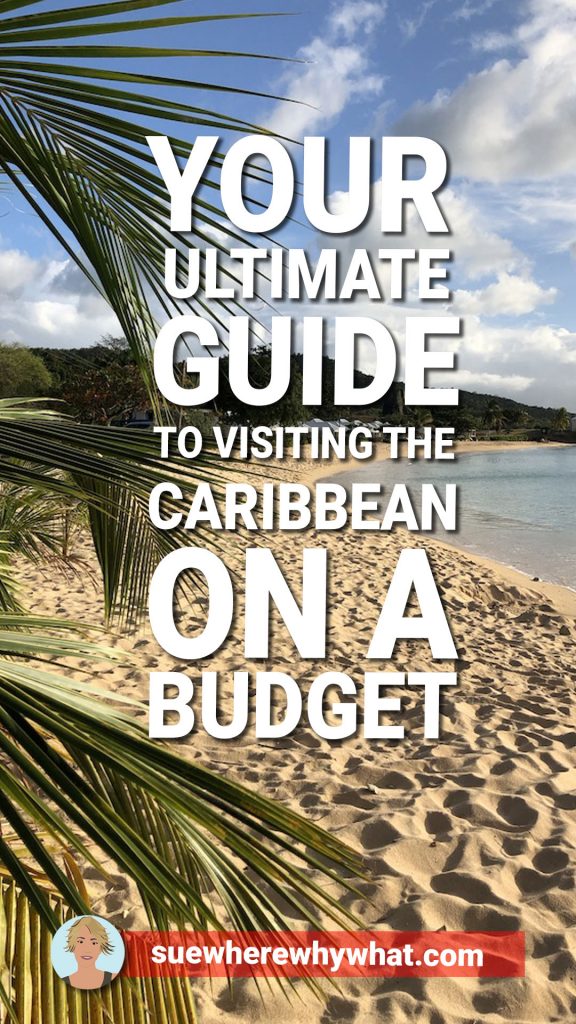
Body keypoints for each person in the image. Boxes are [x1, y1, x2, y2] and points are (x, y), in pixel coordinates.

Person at [63, 917, 119, 989]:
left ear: (101, 948)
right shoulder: (64, 981)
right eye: (81, 942)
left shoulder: (112, 978)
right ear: (72, 945)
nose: (87, 949)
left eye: (94, 943)